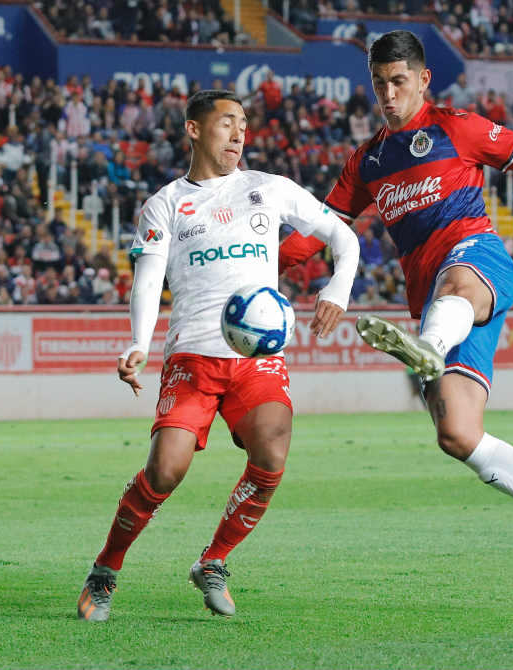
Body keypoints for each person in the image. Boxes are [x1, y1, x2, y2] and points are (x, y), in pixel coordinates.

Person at [279, 31, 513, 563]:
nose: (388, 94)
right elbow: (319, 232)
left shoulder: (457, 128)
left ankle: (426, 347)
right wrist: (260, 263)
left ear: (423, 80)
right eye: (379, 83)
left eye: (399, 82)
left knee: (454, 282)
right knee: (456, 433)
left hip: (479, 262)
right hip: (438, 303)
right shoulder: (367, 163)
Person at [76, 90, 359, 621]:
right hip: (192, 357)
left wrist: (338, 290)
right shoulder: (165, 204)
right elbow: (148, 280)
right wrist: (138, 342)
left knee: (272, 454)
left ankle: (214, 560)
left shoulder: (268, 189)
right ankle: (105, 569)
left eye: (244, 124)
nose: (238, 133)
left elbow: (343, 238)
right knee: (164, 471)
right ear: (194, 129)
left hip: (257, 358)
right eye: (227, 123)